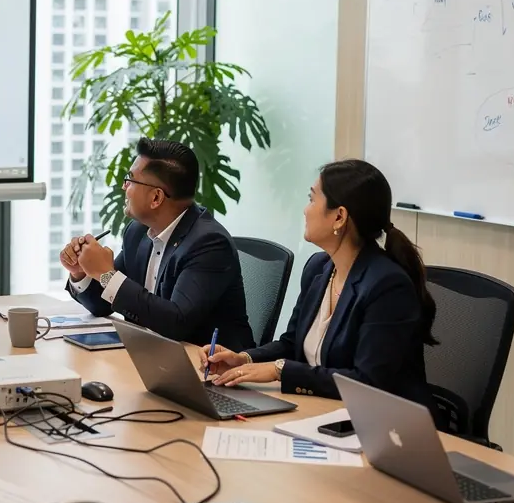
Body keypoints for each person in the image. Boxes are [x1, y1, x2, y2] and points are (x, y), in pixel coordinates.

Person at [201, 159, 434, 404]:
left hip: (387, 424)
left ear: (339, 217)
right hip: (321, 410)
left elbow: (367, 383)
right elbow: (292, 344)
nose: (305, 209)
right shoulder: (318, 268)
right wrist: (244, 359)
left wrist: (280, 371)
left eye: (312, 199)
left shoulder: (387, 286)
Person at [60, 137, 254, 351]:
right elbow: (103, 303)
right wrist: (82, 273)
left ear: (156, 197)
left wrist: (107, 275)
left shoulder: (209, 244)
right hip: (153, 358)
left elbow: (176, 323)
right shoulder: (137, 232)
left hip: (212, 371)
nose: (124, 186)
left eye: (131, 180)